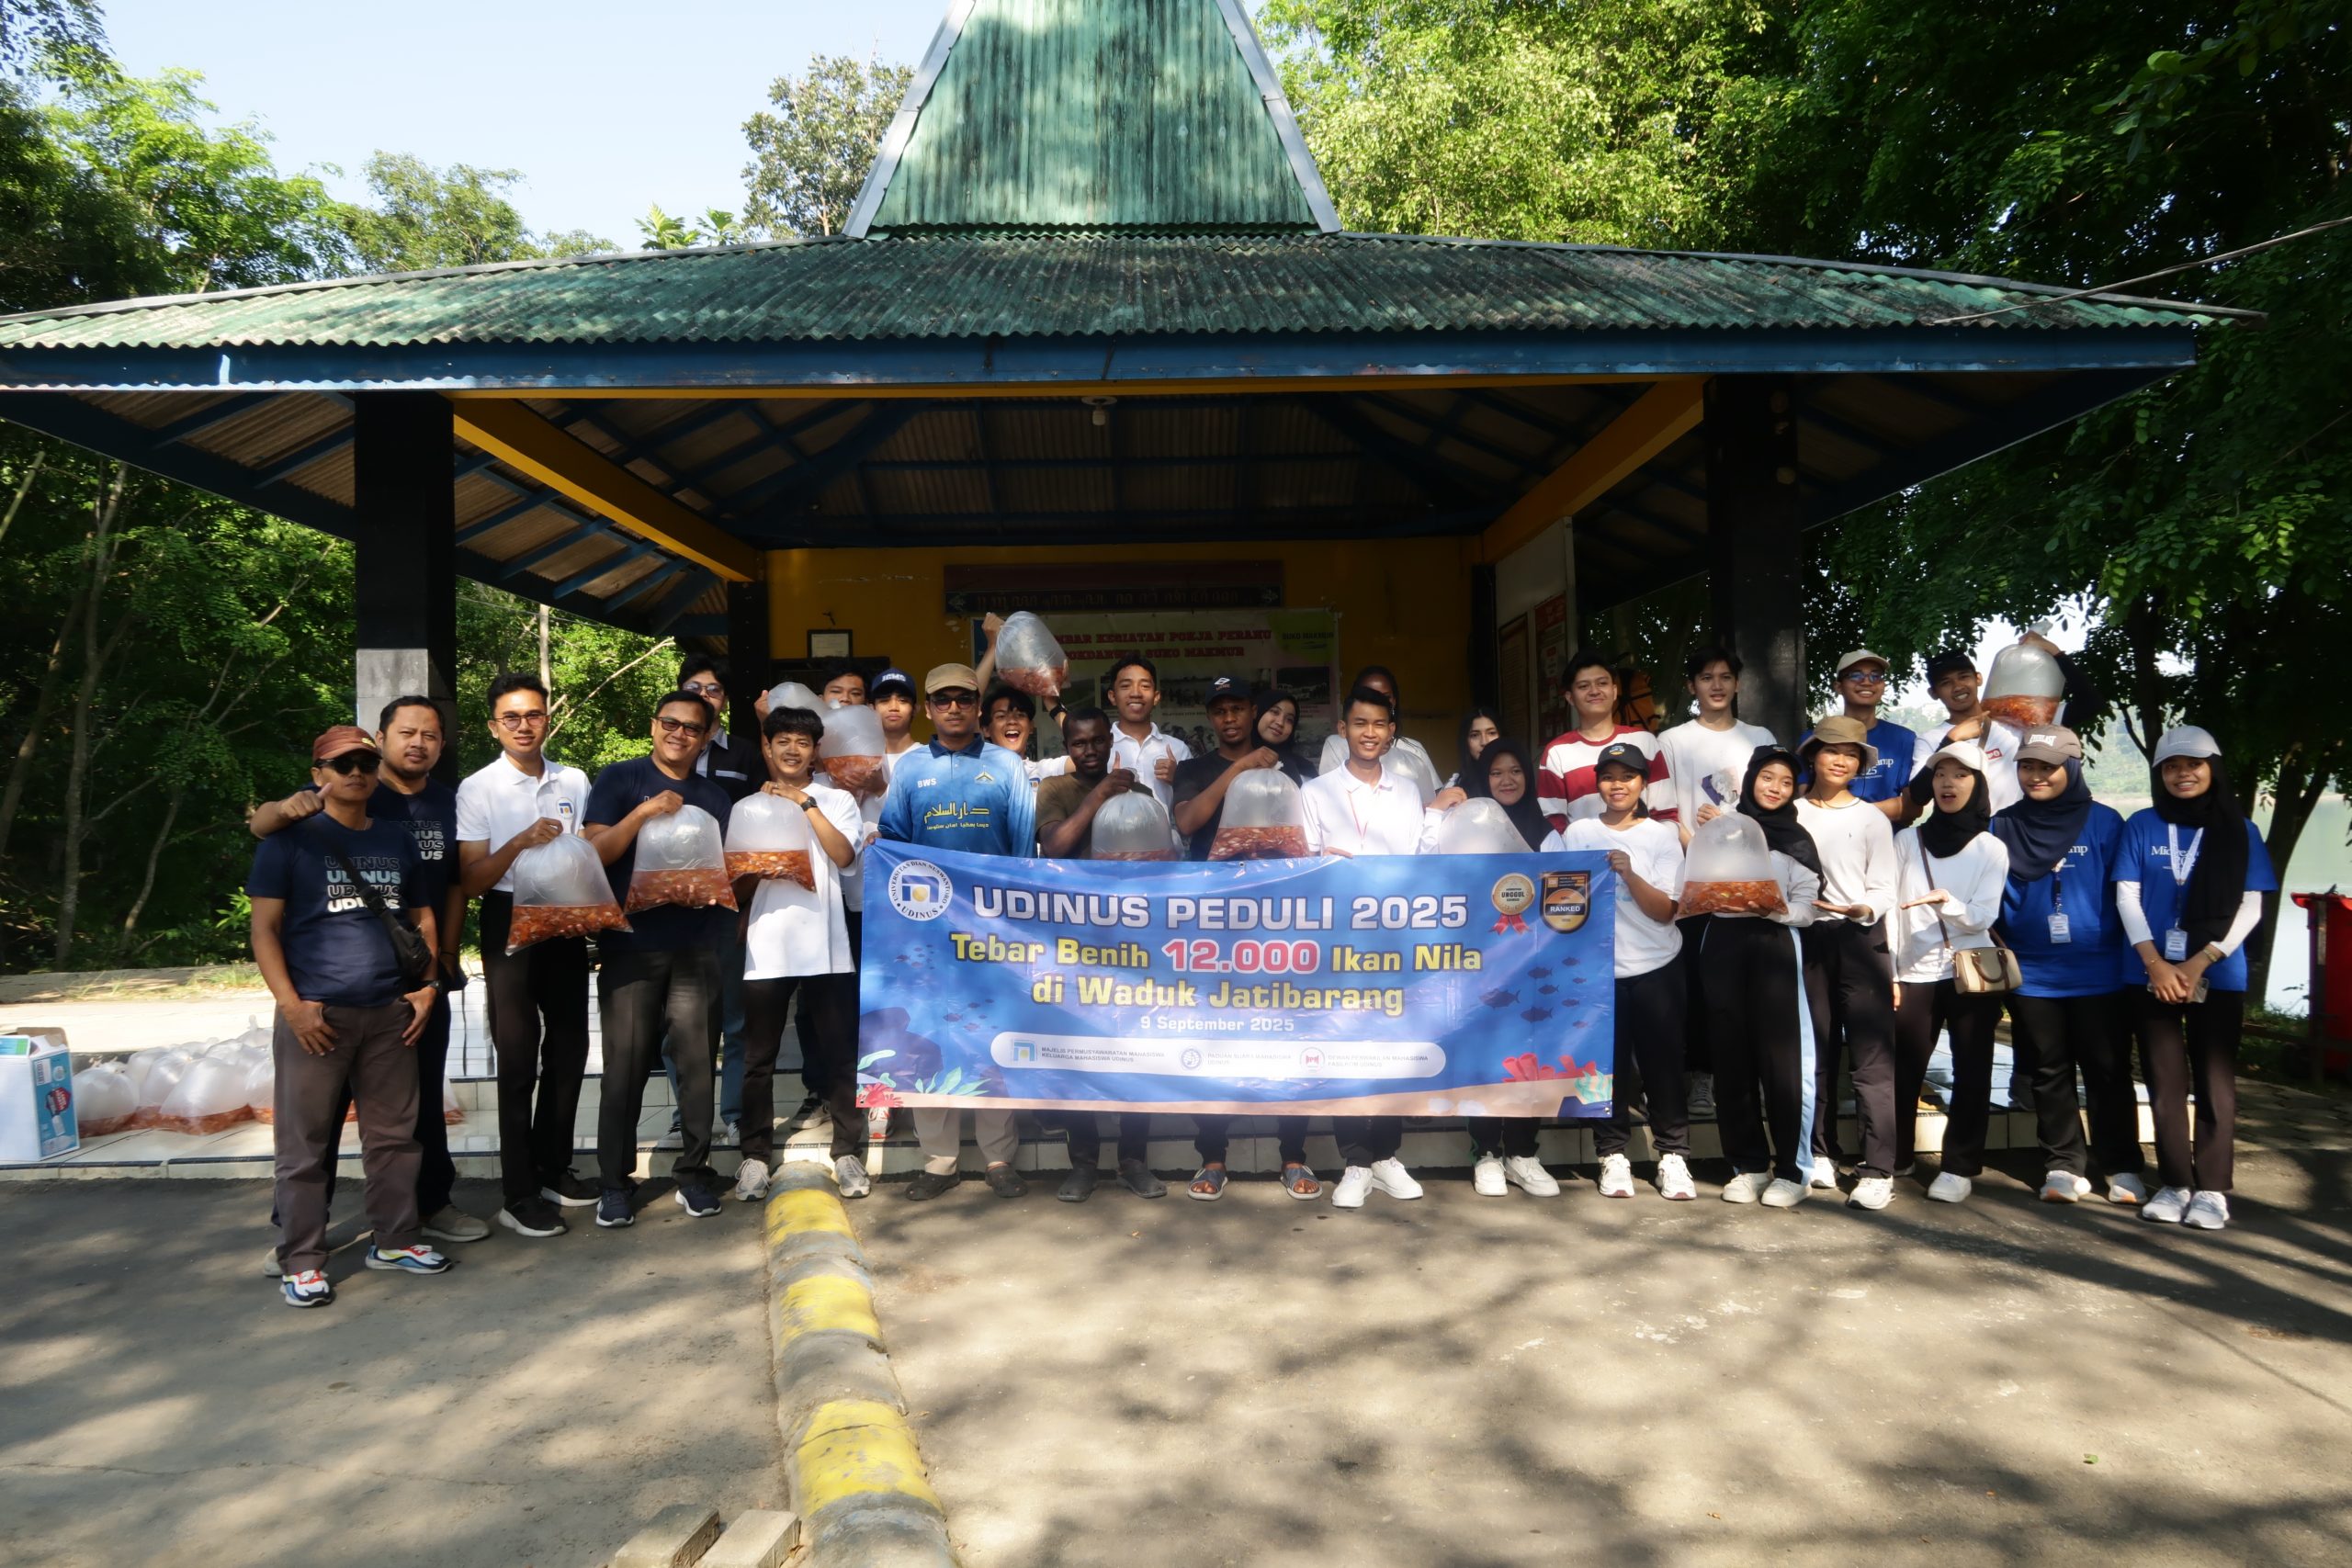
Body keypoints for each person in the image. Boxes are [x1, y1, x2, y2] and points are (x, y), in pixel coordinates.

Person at [247, 696, 483, 1273]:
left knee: (398, 1133)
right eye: (343, 765)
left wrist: (429, 984)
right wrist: (291, 1006)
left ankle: (401, 1233)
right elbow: (265, 927)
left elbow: (427, 910)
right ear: (319, 774)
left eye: (363, 765)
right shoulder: (295, 834)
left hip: (392, 1007)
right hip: (318, 1011)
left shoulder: (414, 825)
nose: (356, 773)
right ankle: (301, 1252)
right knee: (307, 1140)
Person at [876, 662, 1038, 1201]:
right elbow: (894, 841)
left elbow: (1022, 851)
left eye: (963, 699)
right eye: (942, 699)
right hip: (925, 933)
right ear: (928, 708)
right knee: (929, 1037)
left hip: (992, 931)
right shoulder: (909, 769)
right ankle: (939, 1161)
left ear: (977, 707)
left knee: (990, 1037)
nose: (953, 708)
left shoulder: (1006, 766)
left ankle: (998, 1158)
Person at [581, 690, 736, 1226]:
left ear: (706, 737)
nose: (679, 734)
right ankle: (613, 1183)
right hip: (630, 946)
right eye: (670, 723)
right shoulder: (620, 780)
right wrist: (645, 812)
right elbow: (595, 852)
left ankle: (693, 1174)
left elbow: (723, 871)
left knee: (696, 1067)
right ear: (653, 726)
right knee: (623, 1069)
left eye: (692, 728)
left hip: (697, 946)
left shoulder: (714, 797)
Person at [2116, 726, 2276, 1231]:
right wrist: (2156, 963)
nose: (2182, 774)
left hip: (2217, 971)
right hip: (2149, 971)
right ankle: (2175, 1182)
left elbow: (2251, 906)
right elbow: (2126, 896)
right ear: (2160, 774)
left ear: (2213, 769)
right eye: (2171, 766)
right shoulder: (2142, 825)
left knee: (2215, 1080)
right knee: (2164, 1081)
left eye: (2193, 764)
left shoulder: (2241, 830)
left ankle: (2211, 1189)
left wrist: (2200, 960)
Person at [455, 672, 594, 1239]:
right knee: (517, 1056)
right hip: (508, 917)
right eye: (511, 717)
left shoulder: (573, 779)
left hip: (564, 917)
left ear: (547, 719)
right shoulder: (478, 788)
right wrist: (519, 842)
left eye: (533, 715)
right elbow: (471, 881)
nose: (523, 726)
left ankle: (554, 1166)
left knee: (571, 1046)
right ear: (494, 726)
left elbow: (583, 851)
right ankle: (518, 1192)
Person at [1170, 677, 1319, 1201]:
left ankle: (1293, 1156)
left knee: (1289, 1032)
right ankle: (1212, 1158)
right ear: (1211, 718)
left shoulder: (1292, 769)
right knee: (1214, 1034)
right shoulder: (1194, 769)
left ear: (1253, 711)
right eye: (1220, 711)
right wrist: (1240, 768)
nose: (1229, 718)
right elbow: (1188, 823)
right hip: (1214, 923)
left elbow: (1307, 840)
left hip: (1282, 920)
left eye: (1237, 708)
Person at [1991, 725, 2148, 1205]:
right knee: (2048, 1071)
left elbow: (2126, 895)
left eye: (2048, 767)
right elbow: (1989, 892)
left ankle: (2121, 1165)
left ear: (2072, 768)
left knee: (2108, 1071)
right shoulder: (2002, 824)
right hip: (2032, 975)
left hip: (2100, 973)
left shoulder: (2105, 823)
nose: (2036, 776)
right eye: (2027, 766)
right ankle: (2063, 1164)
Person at [1302, 683, 1437, 1210]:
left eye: (1380, 724)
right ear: (1343, 729)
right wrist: (1324, 863)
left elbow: (1420, 860)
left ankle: (1386, 1155)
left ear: (1392, 732)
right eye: (1360, 723)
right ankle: (1355, 1161)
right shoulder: (1316, 792)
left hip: (1394, 941)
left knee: (1391, 1042)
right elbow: (1302, 867)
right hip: (1337, 943)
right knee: (1345, 1043)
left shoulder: (1406, 792)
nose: (1370, 733)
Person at [1028, 706, 1168, 1201]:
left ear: (1110, 742)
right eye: (1078, 743)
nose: (1088, 751)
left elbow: (1161, 863)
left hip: (1132, 946)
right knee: (1077, 1054)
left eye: (1096, 742)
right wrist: (1100, 795)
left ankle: (1133, 1160)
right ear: (1067, 747)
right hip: (1074, 945)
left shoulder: (1141, 794)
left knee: (1136, 1050)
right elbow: (1056, 846)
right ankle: (1084, 1163)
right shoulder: (1055, 790)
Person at [1550, 742, 1694, 1200]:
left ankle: (1673, 1156)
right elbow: (1559, 903)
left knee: (1663, 1066)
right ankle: (1611, 1155)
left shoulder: (1662, 836)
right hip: (1594, 973)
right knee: (1601, 1068)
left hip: (1656, 966)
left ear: (1643, 783)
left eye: (1628, 776)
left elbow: (1666, 911)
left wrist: (1629, 874)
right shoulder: (1578, 832)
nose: (1618, 785)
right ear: (1597, 784)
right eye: (1609, 777)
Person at [734, 705, 865, 1201]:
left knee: (839, 1053)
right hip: (767, 945)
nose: (792, 750)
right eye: (783, 741)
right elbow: (736, 886)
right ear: (767, 748)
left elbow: (844, 856)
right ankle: (754, 1157)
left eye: (803, 742)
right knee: (758, 1058)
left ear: (816, 751)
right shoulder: (748, 807)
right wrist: (759, 868)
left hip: (826, 945)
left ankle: (847, 1152)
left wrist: (805, 803)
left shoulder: (836, 799)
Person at [1654, 645, 1778, 1121]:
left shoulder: (1759, 737)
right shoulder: (1673, 741)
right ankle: (1702, 1076)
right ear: (1692, 686)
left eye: (1725, 676)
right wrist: (1701, 849)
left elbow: (1772, 801)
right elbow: (1665, 810)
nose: (1717, 685)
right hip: (1696, 881)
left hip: (1751, 881)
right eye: (1706, 678)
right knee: (1700, 982)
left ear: (1738, 683)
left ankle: (1753, 1075)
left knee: (1752, 984)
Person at [1697, 747, 1825, 1207]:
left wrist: (1776, 911)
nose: (1775, 787)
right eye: (1767, 777)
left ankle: (1794, 1170)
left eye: (1786, 782)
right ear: (1750, 780)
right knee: (1731, 1061)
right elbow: (1696, 885)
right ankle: (1747, 1165)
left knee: (1784, 1063)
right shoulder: (1725, 829)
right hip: (1722, 944)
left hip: (1775, 945)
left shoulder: (1797, 839)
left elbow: (1810, 905)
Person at [1887, 741, 2011, 1202]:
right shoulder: (1907, 841)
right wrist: (1891, 970)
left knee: (1973, 1068)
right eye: (1940, 774)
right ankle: (1896, 1155)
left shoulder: (1991, 848)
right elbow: (1891, 910)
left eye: (1961, 775)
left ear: (1978, 785)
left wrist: (1947, 903)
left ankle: (1959, 1166)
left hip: (1972, 969)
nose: (1947, 783)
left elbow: (1983, 916)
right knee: (1903, 1067)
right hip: (1915, 970)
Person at [1794, 715, 1900, 1209]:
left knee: (1871, 1058)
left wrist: (1860, 909)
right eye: (1832, 750)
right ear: (1813, 755)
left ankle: (1878, 1169)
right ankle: (1819, 1152)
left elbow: (1885, 889)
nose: (1841, 760)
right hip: (1807, 938)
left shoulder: (1872, 818)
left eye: (1851, 754)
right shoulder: (1791, 813)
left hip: (1861, 937)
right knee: (1815, 1052)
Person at [668, 655, 757, 1154]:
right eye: (694, 687)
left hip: (728, 903)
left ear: (724, 700)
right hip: (669, 906)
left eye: (714, 689)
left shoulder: (744, 753)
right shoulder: (662, 756)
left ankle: (735, 1114)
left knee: (735, 1019)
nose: (704, 696)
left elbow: (762, 824)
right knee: (678, 1023)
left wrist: (746, 903)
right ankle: (685, 1113)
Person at [1537, 648, 1674, 831]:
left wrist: (1654, 847)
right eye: (1583, 686)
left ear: (1614, 690)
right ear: (1570, 697)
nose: (1594, 691)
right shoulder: (1557, 752)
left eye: (1602, 683)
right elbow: (1552, 822)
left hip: (1645, 849)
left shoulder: (1644, 741)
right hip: (1583, 849)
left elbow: (1666, 814)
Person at [1799, 650, 1917, 823]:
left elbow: (1912, 807)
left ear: (1883, 686)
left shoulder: (1904, 739)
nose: (1867, 682)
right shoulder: (1815, 738)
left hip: (1886, 838)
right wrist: (1881, 809)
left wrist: (1848, 813)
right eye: (1856, 675)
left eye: (1875, 676)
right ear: (1838, 686)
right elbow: (1806, 800)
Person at [1315, 664, 1440, 799]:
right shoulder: (1337, 744)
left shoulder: (1413, 751)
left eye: (1385, 697)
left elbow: (1431, 799)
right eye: (1368, 695)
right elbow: (1330, 796)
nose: (1376, 703)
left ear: (1394, 702)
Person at [1102, 654, 1192, 810]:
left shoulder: (1178, 749)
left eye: (1144, 686)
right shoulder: (1099, 750)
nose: (1135, 693)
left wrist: (1178, 779)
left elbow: (1193, 808)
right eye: (1125, 686)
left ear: (1156, 697)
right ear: (1112, 696)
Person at [984, 683, 1070, 784]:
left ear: (1031, 726)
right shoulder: (977, 774)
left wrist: (1054, 708)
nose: (1012, 721)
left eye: (1020, 715)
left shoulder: (1045, 771)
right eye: (1001, 716)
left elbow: (1086, 756)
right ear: (986, 730)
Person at [1255, 686, 1311, 774]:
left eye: (1289, 720)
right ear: (1257, 712)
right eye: (1275, 712)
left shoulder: (1304, 768)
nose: (1280, 723)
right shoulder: (1238, 759)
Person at [1444, 708, 1501, 791]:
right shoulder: (1454, 787)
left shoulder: (1518, 780)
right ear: (1465, 741)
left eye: (1491, 733)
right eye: (1475, 735)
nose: (1484, 742)